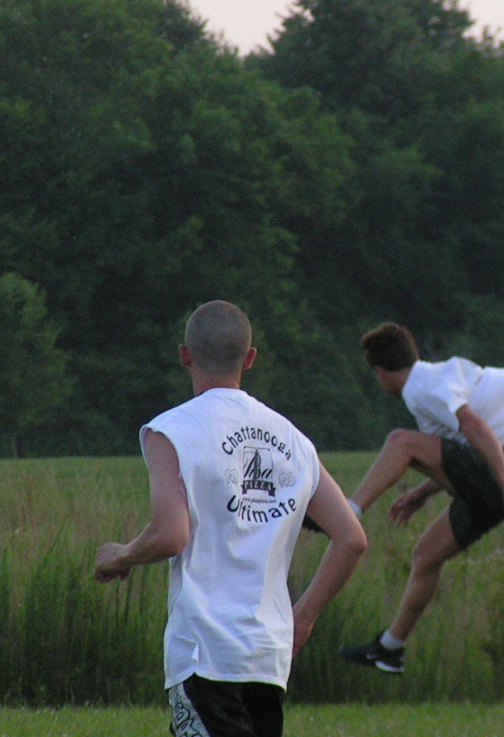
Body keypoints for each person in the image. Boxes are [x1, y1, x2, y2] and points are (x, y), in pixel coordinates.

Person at [93, 300, 367, 737]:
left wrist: (120, 556)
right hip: (268, 656)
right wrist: (303, 616)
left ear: (185, 355)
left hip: (206, 651)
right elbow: (351, 538)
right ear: (250, 358)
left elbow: (170, 535)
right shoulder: (294, 440)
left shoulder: (170, 431)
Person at [338, 321, 504, 674]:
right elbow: (458, 454)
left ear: (380, 373)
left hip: (500, 474)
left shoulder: (422, 388)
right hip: (496, 474)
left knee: (401, 441)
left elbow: (473, 426)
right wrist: (422, 493)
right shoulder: (435, 378)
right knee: (426, 555)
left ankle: (347, 512)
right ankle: (390, 649)